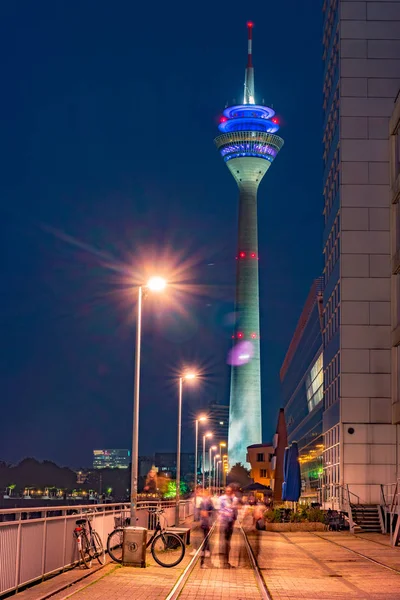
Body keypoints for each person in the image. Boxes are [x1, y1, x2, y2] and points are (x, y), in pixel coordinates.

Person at [219, 485, 238, 568]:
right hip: (224, 522)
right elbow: (219, 510)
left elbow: (235, 511)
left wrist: (234, 520)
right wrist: (225, 513)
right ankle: (224, 562)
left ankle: (226, 561)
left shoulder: (234, 499)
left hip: (230, 523)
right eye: (227, 491)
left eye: (230, 491)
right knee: (225, 543)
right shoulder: (221, 499)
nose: (228, 492)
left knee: (228, 543)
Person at [199, 489, 214, 567]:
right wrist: (209, 523)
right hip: (205, 523)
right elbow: (204, 513)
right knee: (205, 540)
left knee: (206, 539)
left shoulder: (206, 501)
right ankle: (202, 561)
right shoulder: (206, 502)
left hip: (205, 522)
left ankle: (205, 552)